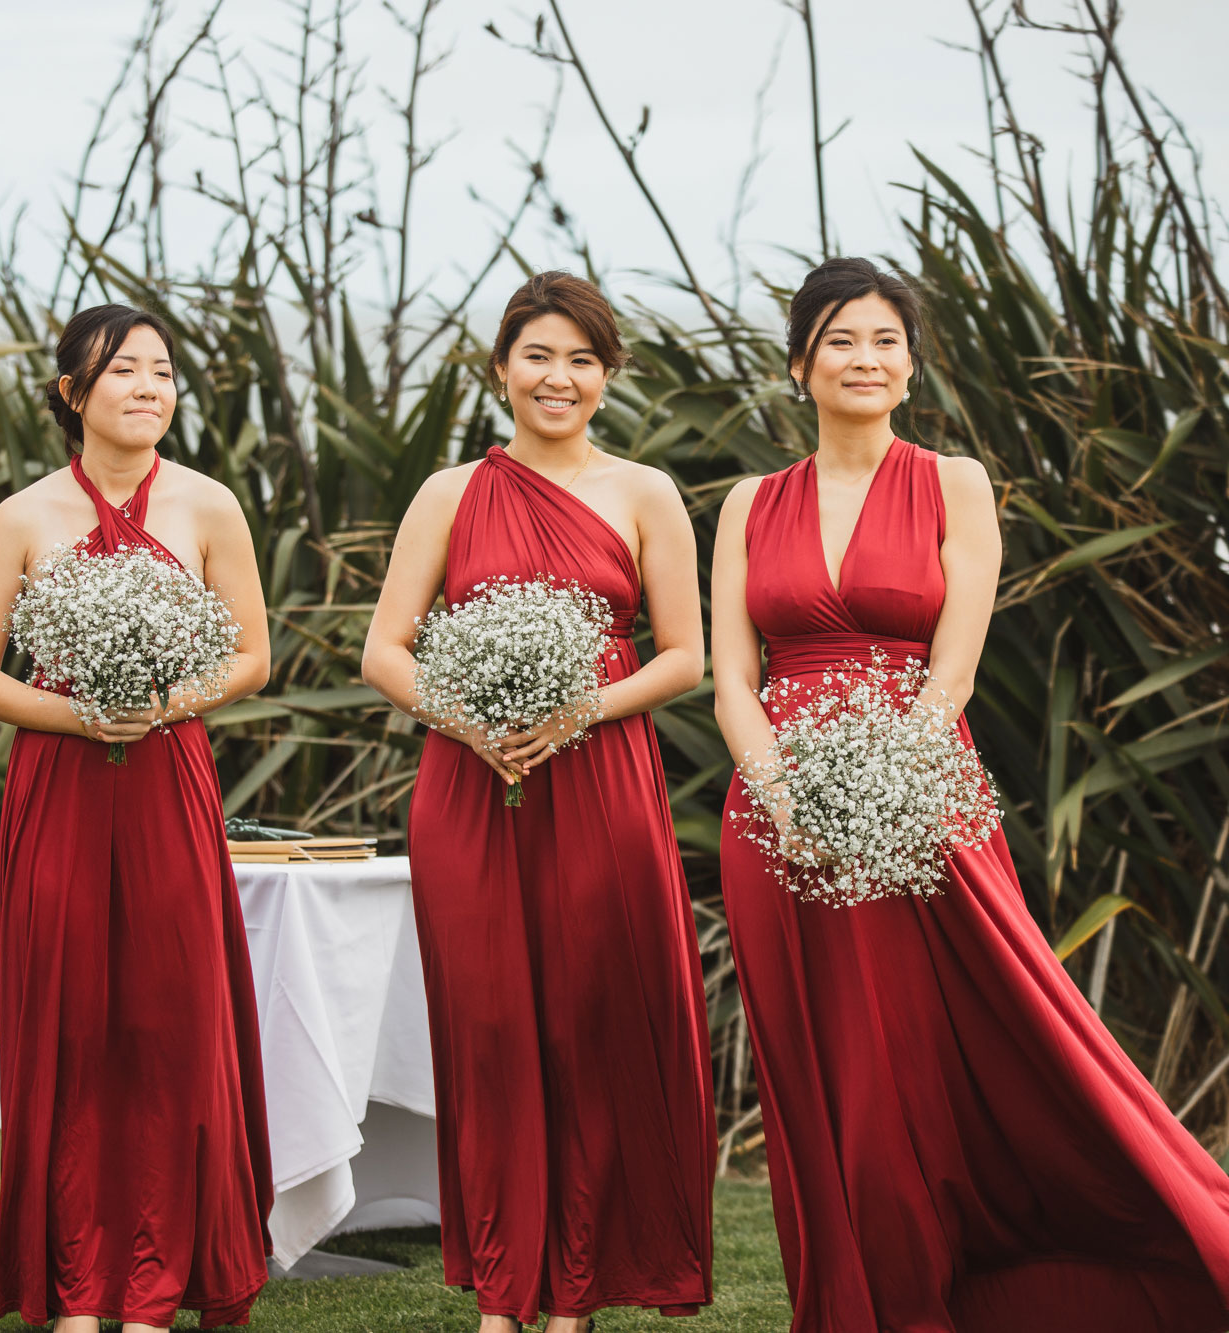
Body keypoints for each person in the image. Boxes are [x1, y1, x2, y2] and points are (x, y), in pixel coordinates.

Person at [713, 255, 1229, 1332]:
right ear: (800, 363)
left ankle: (1041, 1270)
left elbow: (953, 665)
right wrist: (788, 796)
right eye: (840, 339)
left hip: (923, 794)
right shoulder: (748, 504)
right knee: (829, 1073)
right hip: (779, 817)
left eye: (885, 340)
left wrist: (884, 784)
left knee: (974, 1043)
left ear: (909, 365)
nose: (864, 358)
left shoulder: (952, 482)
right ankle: (851, 1303)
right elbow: (730, 679)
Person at [362, 271, 716, 1331]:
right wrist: (461, 717)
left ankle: (572, 1289)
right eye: (537, 356)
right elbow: (384, 646)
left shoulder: (644, 490)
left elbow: (686, 656)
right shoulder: (447, 492)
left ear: (605, 377)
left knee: (590, 1024)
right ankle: (503, 1284)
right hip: (469, 784)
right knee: (490, 1032)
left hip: (600, 780)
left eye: (579, 360)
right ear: (502, 368)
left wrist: (582, 710)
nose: (556, 378)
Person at [0, 303, 274, 1331]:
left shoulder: (211, 506)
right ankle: (78, 1286)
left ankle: (157, 1282)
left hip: (169, 782)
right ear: (70, 393)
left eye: (161, 371)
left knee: (169, 1027)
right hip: (59, 786)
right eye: (123, 370)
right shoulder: (24, 515)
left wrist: (164, 703)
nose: (147, 387)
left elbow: (252, 658)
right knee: (71, 1026)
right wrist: (80, 715)